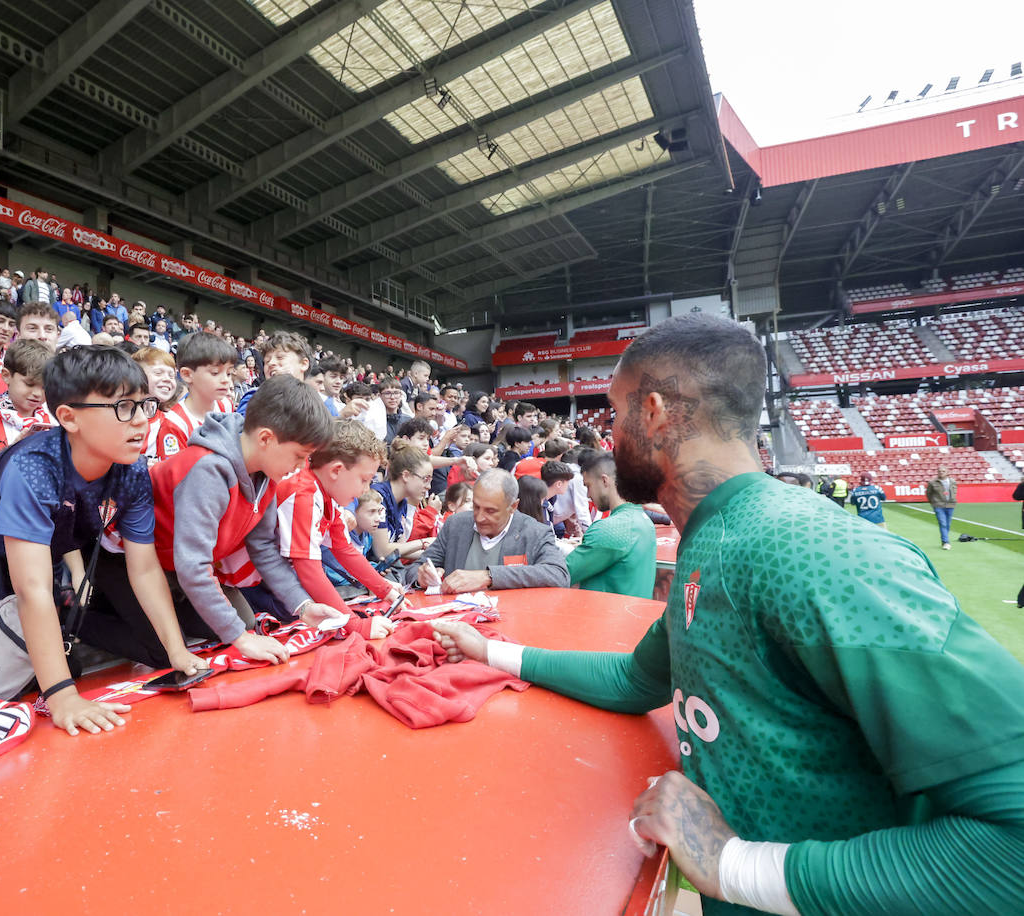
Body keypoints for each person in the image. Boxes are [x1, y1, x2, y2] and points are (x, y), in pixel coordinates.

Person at [434, 312, 1024, 916]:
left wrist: (733, 865)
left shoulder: (812, 551)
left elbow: (1014, 847)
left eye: (614, 412)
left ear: (655, 411)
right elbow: (636, 681)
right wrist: (491, 652)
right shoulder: (714, 535)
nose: (608, 435)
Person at [0, 347, 201, 734]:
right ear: (68, 417)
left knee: (40, 653)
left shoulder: (133, 471)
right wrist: (62, 695)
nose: (143, 420)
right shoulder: (34, 466)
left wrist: (178, 653)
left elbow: (143, 570)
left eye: (146, 405)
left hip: (34, 549)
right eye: (124, 407)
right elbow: (33, 590)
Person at [150, 376, 345, 664]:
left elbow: (264, 548)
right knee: (161, 651)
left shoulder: (266, 474)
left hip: (181, 570)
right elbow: (193, 564)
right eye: (299, 455)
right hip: (139, 566)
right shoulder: (209, 469)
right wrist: (240, 639)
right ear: (266, 438)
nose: (301, 466)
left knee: (244, 624)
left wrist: (303, 606)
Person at [275, 419, 402, 609]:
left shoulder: (325, 494)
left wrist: (385, 590)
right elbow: (309, 571)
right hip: (248, 582)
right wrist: (357, 626)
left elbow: (345, 550)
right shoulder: (303, 492)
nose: (366, 489)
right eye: (364, 480)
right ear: (336, 470)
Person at [407, 469, 570, 592]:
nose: (479, 517)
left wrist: (489, 577)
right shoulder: (456, 525)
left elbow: (559, 574)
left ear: (513, 506)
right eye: (476, 507)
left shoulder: (534, 532)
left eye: (490, 511)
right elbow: (415, 569)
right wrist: (421, 577)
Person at [561, 449, 656, 598]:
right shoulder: (643, 520)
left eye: (588, 486)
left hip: (607, 618)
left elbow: (561, 574)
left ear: (605, 481)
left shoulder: (610, 529)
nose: (588, 495)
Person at [154, 330, 235, 461]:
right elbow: (174, 475)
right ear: (187, 374)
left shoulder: (226, 404)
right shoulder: (174, 424)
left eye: (229, 373)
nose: (226, 380)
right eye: (215, 373)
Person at [0, 338, 54, 457]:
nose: (37, 393)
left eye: (45, 387)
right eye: (29, 384)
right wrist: (10, 453)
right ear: (6, 376)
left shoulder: (53, 420)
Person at [370, 439, 436, 563]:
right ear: (405, 475)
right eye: (425, 479)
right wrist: (424, 543)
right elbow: (382, 551)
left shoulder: (402, 503)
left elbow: (400, 548)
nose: (429, 487)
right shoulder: (378, 497)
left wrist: (436, 554)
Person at [236, 330, 310, 415]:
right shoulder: (254, 398)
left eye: (280, 357)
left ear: (304, 364)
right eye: (267, 361)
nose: (271, 363)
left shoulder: (317, 404)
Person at [926, 465, 957, 549]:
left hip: (950, 504)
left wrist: (953, 500)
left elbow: (954, 492)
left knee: (948, 524)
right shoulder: (932, 482)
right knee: (942, 523)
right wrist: (933, 502)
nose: (941, 473)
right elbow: (928, 494)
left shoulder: (952, 481)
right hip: (938, 505)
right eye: (939, 471)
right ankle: (946, 542)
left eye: (943, 471)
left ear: (947, 472)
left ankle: (945, 539)